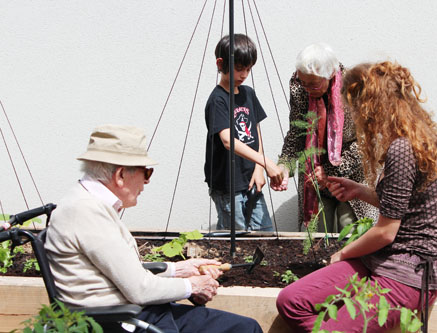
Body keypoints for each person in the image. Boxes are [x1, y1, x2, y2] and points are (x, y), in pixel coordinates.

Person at [276, 61, 437, 332]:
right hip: (380, 260)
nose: (354, 113)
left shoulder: (403, 149)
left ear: (372, 103)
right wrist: (360, 191)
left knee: (332, 330)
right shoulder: (414, 140)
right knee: (291, 301)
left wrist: (343, 253)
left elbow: (385, 232)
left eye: (355, 105)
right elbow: (404, 207)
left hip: (408, 274)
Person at [45, 125, 263, 333]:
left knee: (242, 327)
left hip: (131, 314)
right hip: (123, 321)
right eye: (146, 173)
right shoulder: (86, 212)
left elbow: (121, 270)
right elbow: (139, 289)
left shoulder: (86, 203)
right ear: (121, 175)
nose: (146, 182)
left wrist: (179, 269)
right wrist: (192, 286)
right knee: (244, 329)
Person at [273, 43, 377, 232]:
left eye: (313, 84)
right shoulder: (299, 85)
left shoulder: (355, 86)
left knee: (350, 227)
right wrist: (284, 166)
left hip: (354, 174)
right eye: (304, 83)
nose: (307, 89)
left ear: (330, 74)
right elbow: (297, 131)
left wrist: (328, 171)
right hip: (314, 175)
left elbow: (366, 142)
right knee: (317, 231)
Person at [204, 34, 283, 232]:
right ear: (221, 64)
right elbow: (228, 141)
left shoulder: (249, 93)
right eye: (239, 69)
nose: (244, 74)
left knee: (264, 231)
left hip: (250, 178)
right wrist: (266, 162)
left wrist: (258, 167)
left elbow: (256, 131)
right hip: (228, 184)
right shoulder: (218, 100)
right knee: (235, 237)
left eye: (248, 69)